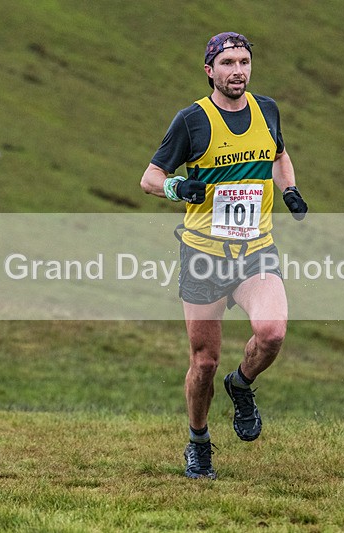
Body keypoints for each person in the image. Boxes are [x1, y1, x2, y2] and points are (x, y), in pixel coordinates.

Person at [140, 32, 308, 480]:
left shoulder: (266, 109)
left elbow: (279, 155)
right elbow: (150, 178)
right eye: (228, 63)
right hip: (203, 255)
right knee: (204, 362)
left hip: (256, 251)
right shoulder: (192, 121)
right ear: (210, 70)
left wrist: (288, 189)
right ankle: (198, 442)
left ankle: (243, 384)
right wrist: (179, 187)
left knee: (271, 333)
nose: (238, 71)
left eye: (245, 62)